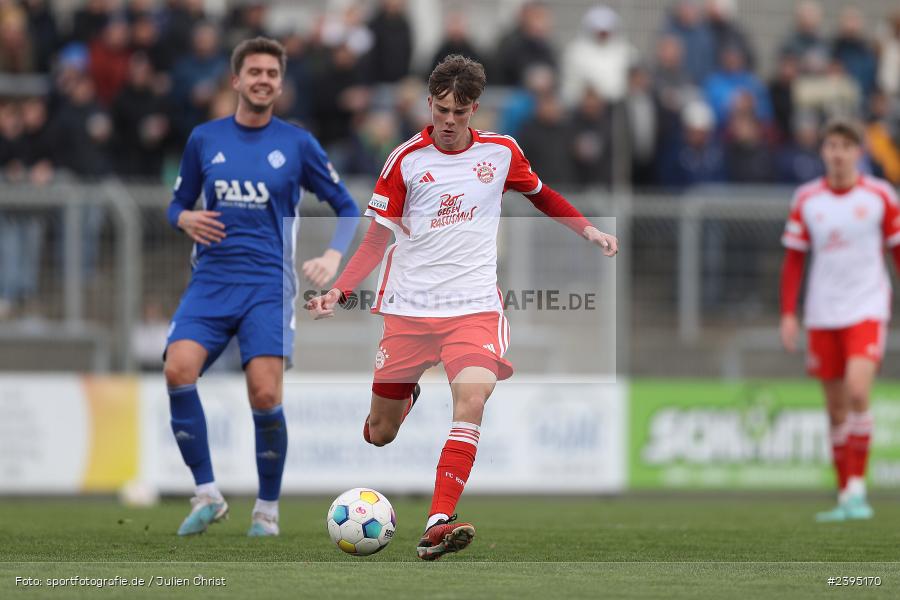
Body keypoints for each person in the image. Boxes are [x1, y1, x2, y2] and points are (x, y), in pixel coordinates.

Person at [306, 55, 618, 560]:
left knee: (472, 399)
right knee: (379, 434)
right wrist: (340, 290)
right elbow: (374, 240)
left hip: (473, 307)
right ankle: (405, 401)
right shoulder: (405, 160)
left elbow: (543, 196)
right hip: (409, 310)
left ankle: (437, 522)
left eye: (460, 111)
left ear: (475, 109)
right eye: (442, 109)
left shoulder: (501, 153)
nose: (449, 121)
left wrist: (589, 229)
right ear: (429, 104)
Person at [164, 37, 360, 537]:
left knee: (265, 394)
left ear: (280, 83)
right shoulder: (204, 139)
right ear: (236, 80)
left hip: (266, 286)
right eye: (254, 71)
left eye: (272, 73)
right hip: (210, 280)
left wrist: (333, 254)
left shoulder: (297, 144)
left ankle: (267, 510)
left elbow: (346, 205)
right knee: (177, 370)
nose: (263, 80)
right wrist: (184, 216)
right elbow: (176, 204)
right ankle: (207, 493)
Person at [780, 118, 900, 522]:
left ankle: (858, 490)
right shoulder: (807, 199)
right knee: (834, 409)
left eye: (845, 147)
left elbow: (897, 251)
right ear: (823, 152)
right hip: (822, 312)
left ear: (858, 152)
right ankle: (844, 492)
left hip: (866, 307)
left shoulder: (881, 195)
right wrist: (788, 313)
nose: (838, 153)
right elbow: (794, 260)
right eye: (831, 146)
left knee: (857, 391)